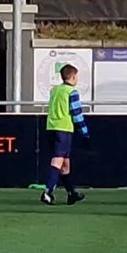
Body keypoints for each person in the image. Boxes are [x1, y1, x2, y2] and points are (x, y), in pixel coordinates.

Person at [41, 63, 88, 206]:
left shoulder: (55, 90)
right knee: (58, 161)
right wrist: (84, 130)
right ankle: (47, 192)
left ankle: (71, 193)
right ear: (73, 77)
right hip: (64, 129)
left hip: (51, 127)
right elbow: (76, 112)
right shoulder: (72, 92)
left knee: (65, 164)